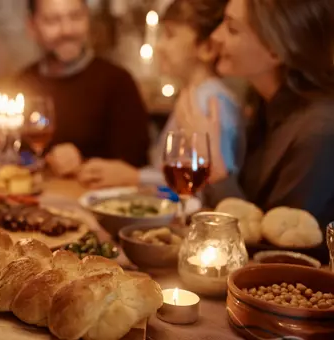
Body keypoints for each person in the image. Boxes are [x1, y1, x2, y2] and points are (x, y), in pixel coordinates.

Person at [200, 0, 334, 253]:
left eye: (232, 29)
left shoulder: (318, 131)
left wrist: (216, 170)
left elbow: (276, 254)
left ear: (276, 49)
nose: (216, 36)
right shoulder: (264, 106)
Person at [77, 0, 245, 188]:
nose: (159, 46)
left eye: (170, 35)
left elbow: (207, 186)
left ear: (206, 48)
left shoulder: (212, 103)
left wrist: (134, 177)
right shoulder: (194, 95)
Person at [17, 0, 150, 180]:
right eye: (52, 20)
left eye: (75, 17)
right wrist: (47, 160)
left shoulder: (117, 81)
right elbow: (14, 155)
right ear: (31, 27)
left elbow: (136, 164)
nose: (67, 30)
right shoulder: (23, 82)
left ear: (88, 18)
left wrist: (83, 163)